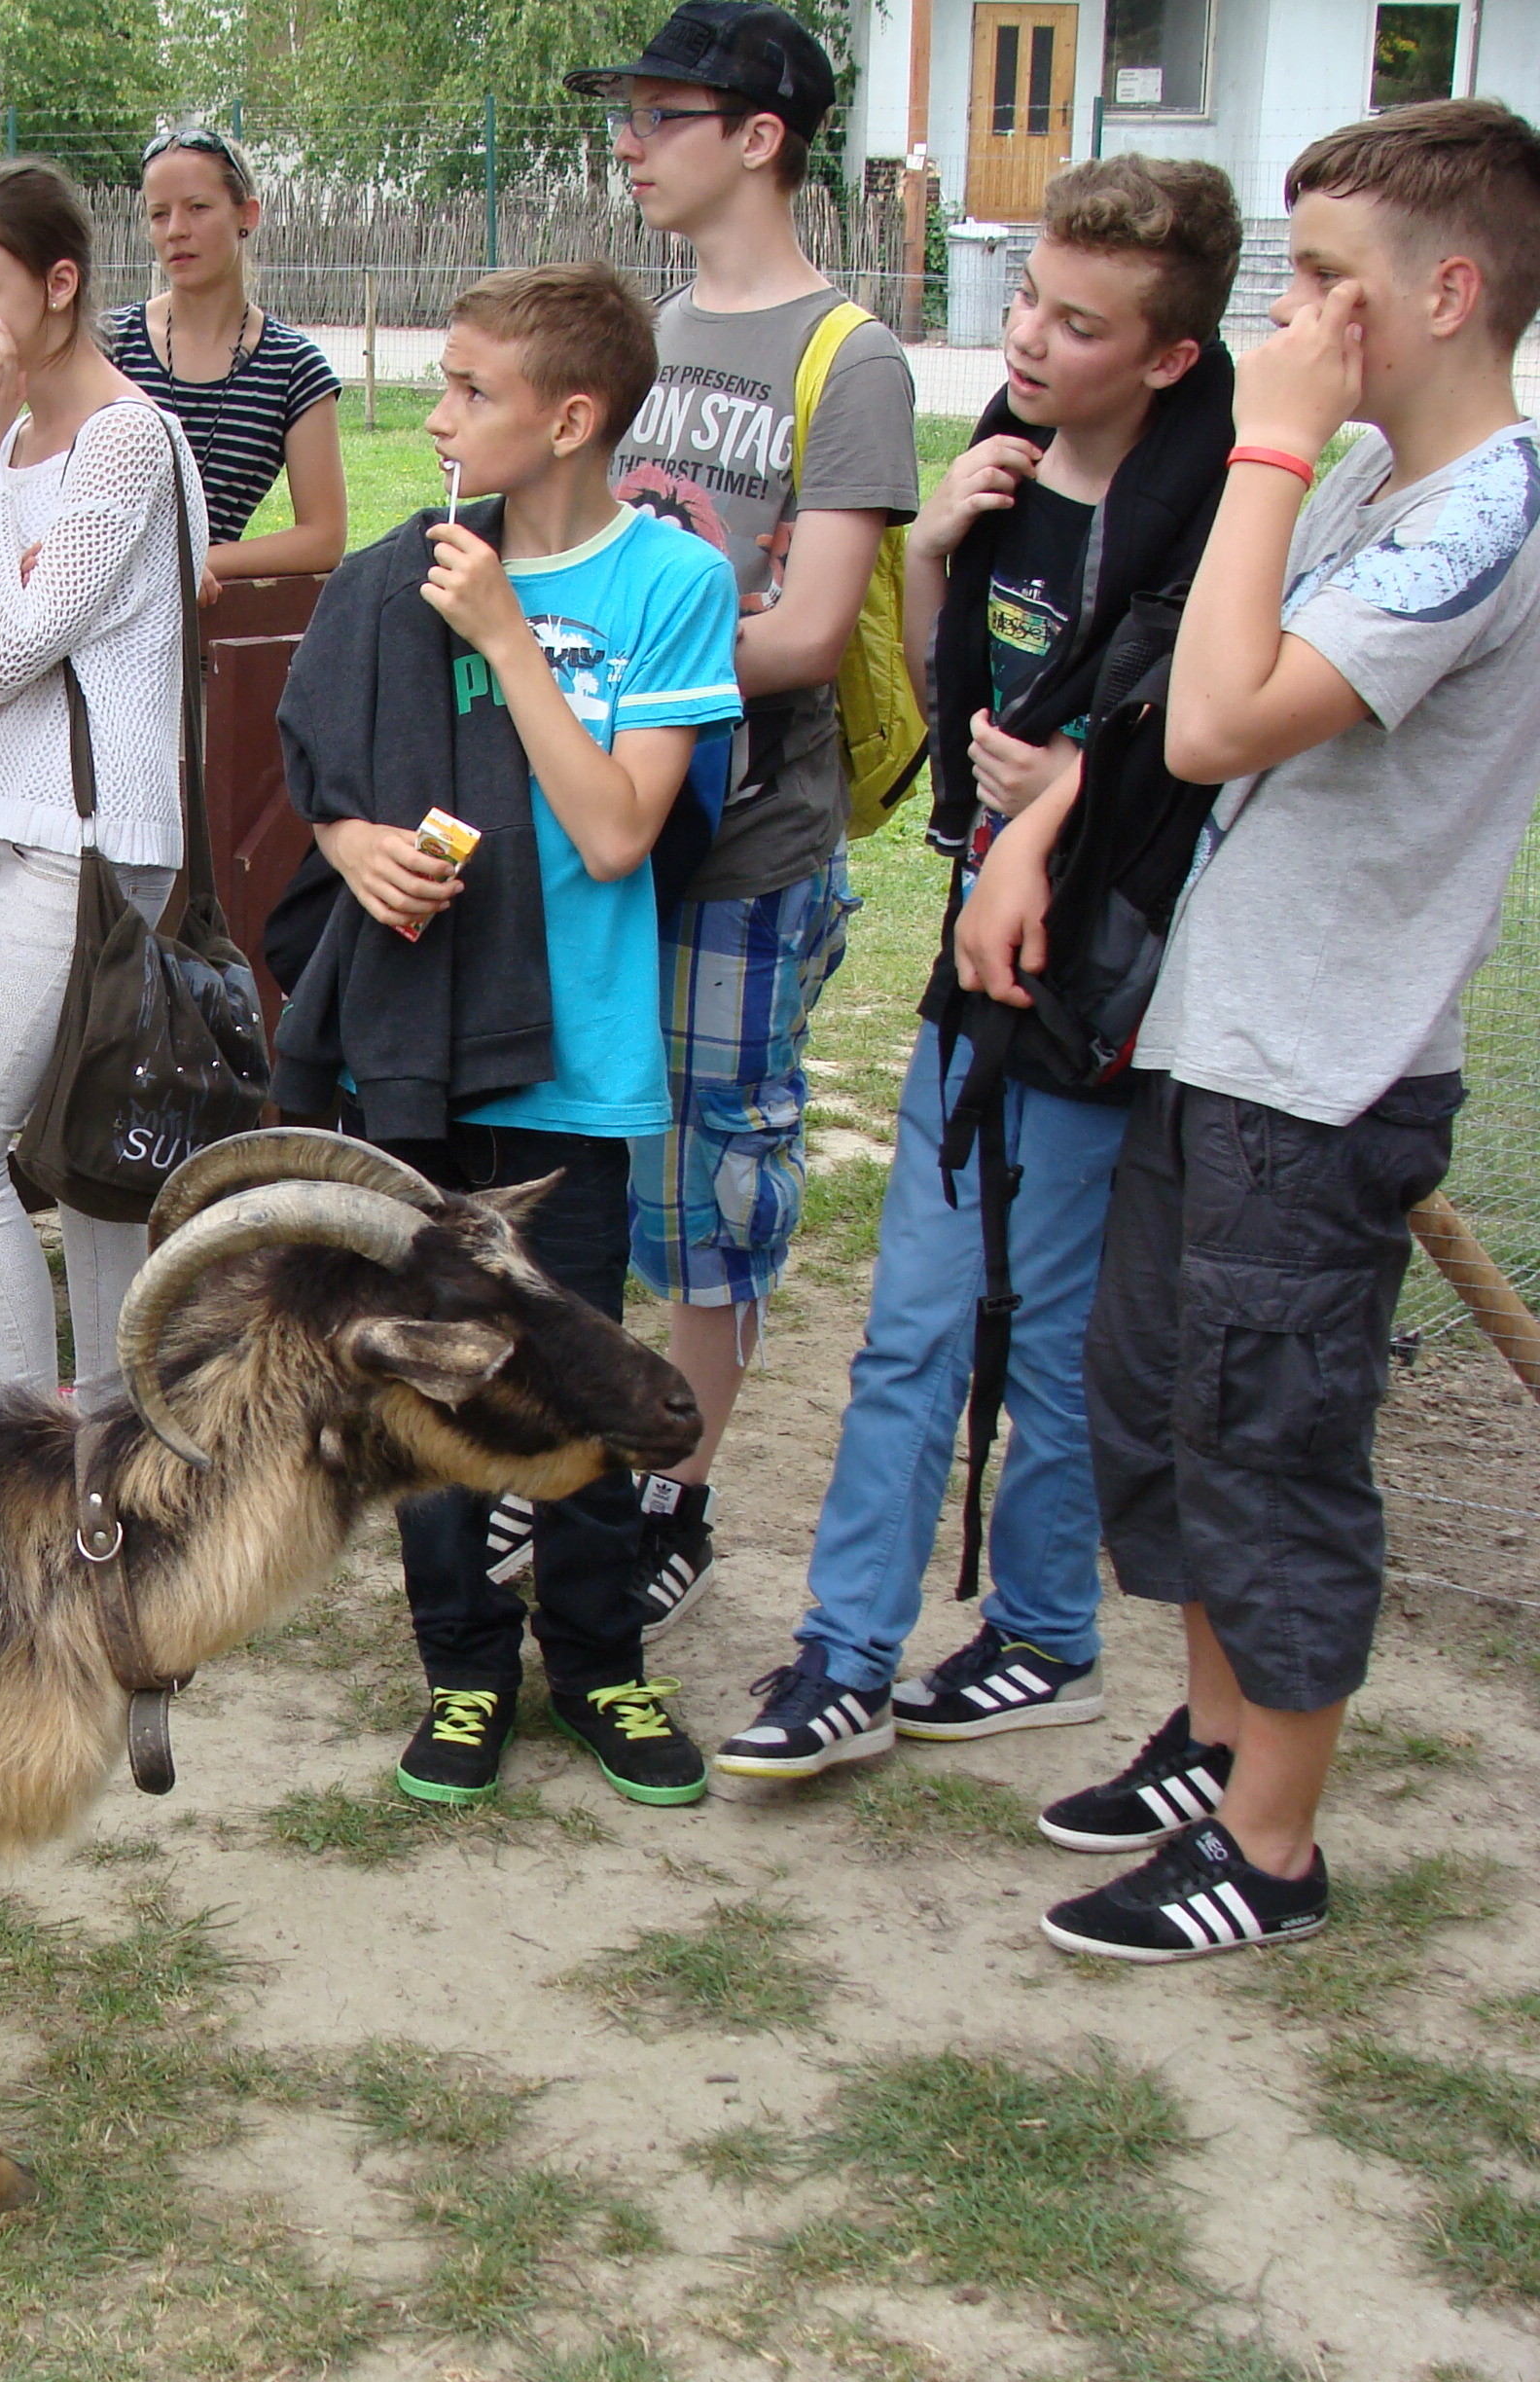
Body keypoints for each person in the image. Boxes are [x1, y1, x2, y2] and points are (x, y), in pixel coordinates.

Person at [996, 100, 1540, 1961]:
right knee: (1161, 1413)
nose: (1288, 315)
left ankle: (1271, 1850)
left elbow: (1222, 718)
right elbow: (1166, 706)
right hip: (1214, 1043)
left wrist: (1267, 444)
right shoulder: (1388, 478)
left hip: (1316, 1079)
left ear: (1445, 289)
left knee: (1268, 1447)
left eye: (1323, 281)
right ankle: (1216, 1742)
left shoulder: (1479, 511)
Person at [710, 159, 1244, 1784]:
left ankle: (1039, 1630)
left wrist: (1075, 791)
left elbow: (1203, 743)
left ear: (1165, 357)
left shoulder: (1216, 521)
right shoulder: (1006, 478)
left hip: (1103, 998)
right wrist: (934, 549)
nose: (1025, 337)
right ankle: (847, 1650)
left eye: (1075, 323)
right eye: (1021, 298)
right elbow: (963, 713)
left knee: (1048, 1326)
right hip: (971, 972)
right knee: (917, 1324)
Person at [278, 265, 740, 1807]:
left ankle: (601, 1660)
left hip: (580, 1065)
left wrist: (510, 633)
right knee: (433, 1377)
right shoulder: (393, 577)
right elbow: (324, 782)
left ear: (572, 416)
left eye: (469, 390)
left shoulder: (669, 582)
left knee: (579, 1369)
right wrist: (351, 849)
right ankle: (464, 1667)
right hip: (414, 1047)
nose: (438, 417)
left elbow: (617, 835)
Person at [570, 0, 918, 1627]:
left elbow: (794, 629)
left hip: (749, 849)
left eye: (658, 115)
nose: (627, 144)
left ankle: (672, 1498)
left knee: (711, 1187)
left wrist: (620, 665)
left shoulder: (846, 359)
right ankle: (597, 1462)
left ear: (757, 136)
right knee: (603, 1154)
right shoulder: (643, 329)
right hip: (616, 823)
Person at [0, 158, 208, 1407]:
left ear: (60, 282)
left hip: (94, 842)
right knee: (87, 1160)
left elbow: (10, 645)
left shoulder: (126, 440)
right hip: (14, 831)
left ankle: (31, 1442)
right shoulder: (27, 441)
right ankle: (115, 1452)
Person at [107, 125, 347, 596]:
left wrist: (194, 562)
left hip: (204, 613)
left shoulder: (294, 368)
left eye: (197, 208)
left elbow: (324, 538)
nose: (176, 230)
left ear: (247, 214)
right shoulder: (108, 345)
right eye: (159, 214)